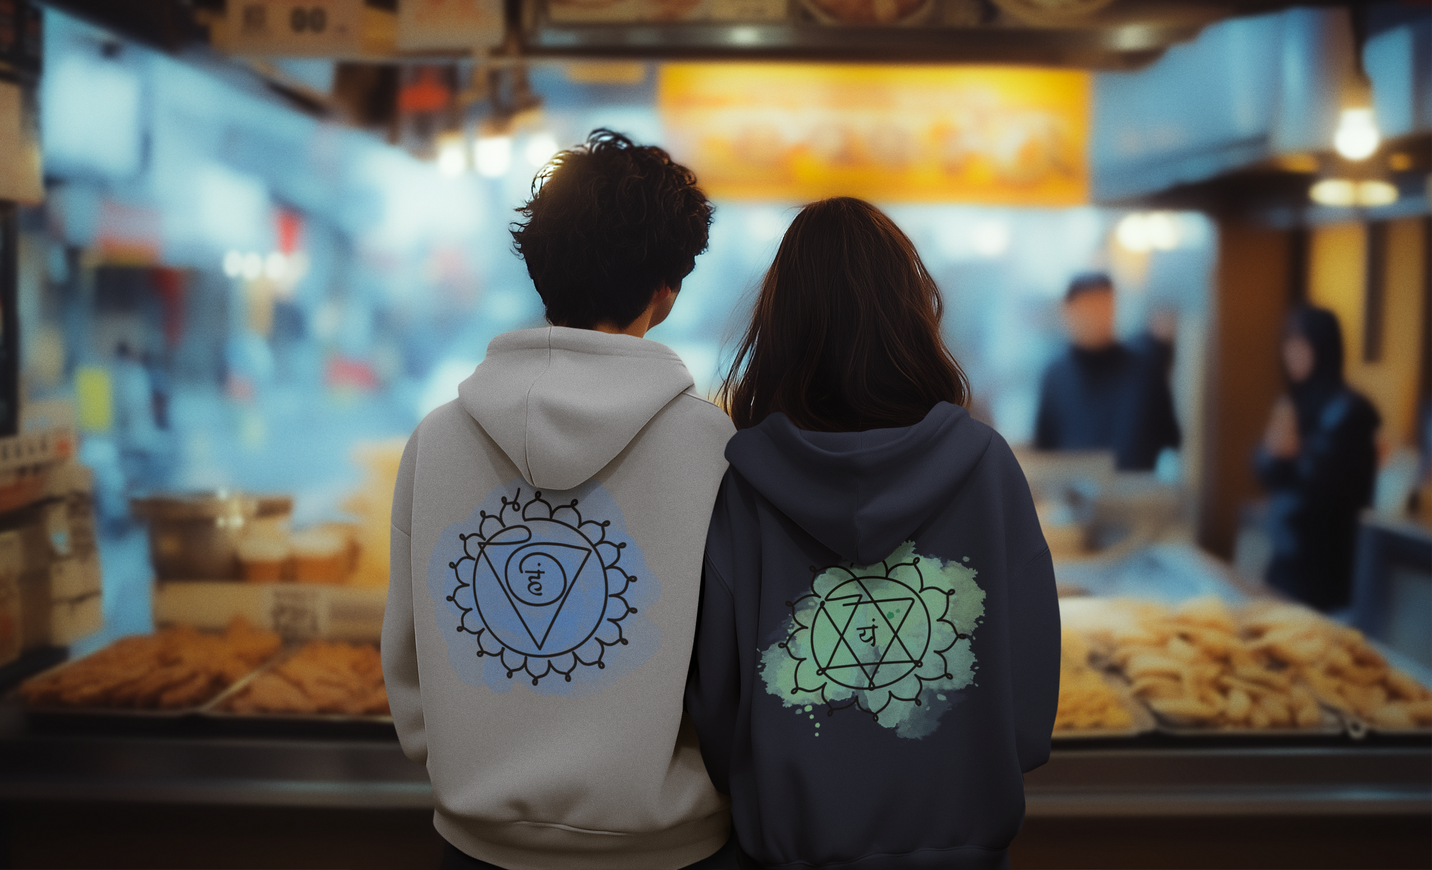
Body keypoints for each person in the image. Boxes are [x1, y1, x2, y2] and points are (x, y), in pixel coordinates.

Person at [383, 130, 736, 870]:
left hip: (476, 841)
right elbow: (727, 664)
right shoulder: (712, 447)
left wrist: (461, 767)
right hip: (669, 845)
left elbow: (406, 651)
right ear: (666, 293)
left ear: (540, 272)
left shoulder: (438, 439)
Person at [685, 198, 1060, 869]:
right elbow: (1029, 706)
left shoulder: (744, 484)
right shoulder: (985, 467)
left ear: (782, 325)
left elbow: (716, 699)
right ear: (911, 313)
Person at [1255, 305, 1380, 612]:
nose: (1292, 352)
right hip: (1285, 560)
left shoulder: (1351, 410)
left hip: (1328, 568)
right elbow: (1263, 465)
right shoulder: (1293, 402)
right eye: (1288, 342)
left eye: (1302, 343)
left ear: (1324, 346)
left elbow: (1334, 486)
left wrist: (1291, 455)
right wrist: (1275, 455)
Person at [1033, 272, 1181, 471]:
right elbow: (1045, 449)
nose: (1097, 317)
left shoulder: (1144, 371)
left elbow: (1171, 440)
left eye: (1105, 307)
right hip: (1072, 493)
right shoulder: (1055, 375)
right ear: (1068, 311)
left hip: (1134, 496)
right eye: (1089, 308)